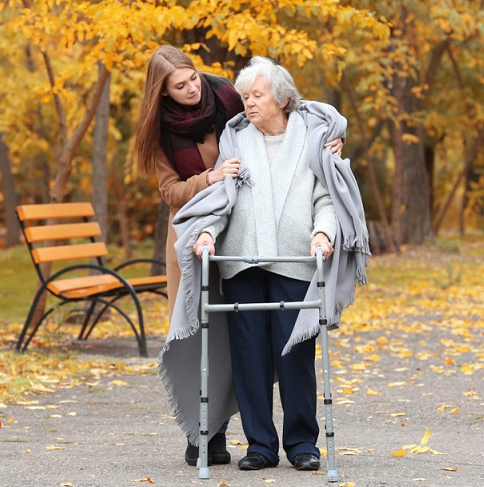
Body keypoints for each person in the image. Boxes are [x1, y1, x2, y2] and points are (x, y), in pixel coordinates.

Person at [170, 57, 370, 472]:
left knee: (295, 352)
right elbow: (223, 194)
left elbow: (325, 197)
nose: (248, 103)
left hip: (295, 260)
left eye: (257, 95)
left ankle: (301, 444)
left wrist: (324, 233)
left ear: (280, 98)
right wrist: (207, 231)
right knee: (249, 354)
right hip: (241, 261)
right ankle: (260, 445)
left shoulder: (313, 137)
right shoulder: (236, 137)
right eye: (244, 97)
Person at [134, 45, 245, 466]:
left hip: (237, 232)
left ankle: (224, 428)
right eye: (179, 87)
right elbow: (171, 193)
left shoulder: (230, 98)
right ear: (163, 94)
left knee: (235, 334)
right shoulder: (161, 130)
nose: (192, 89)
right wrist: (210, 178)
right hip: (189, 238)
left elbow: (286, 115)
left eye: (193, 78)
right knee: (197, 334)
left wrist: (333, 136)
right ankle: (201, 435)